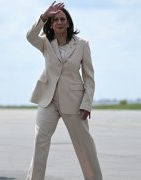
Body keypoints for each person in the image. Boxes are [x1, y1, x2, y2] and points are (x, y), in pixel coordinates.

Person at [25, 2, 102, 180]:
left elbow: (89, 77)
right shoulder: (45, 42)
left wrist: (87, 103)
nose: (59, 22)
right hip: (48, 100)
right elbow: (29, 36)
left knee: (84, 145)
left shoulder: (82, 44)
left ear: (68, 23)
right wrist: (43, 16)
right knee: (40, 142)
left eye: (62, 19)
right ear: (51, 24)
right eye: (55, 20)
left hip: (74, 102)